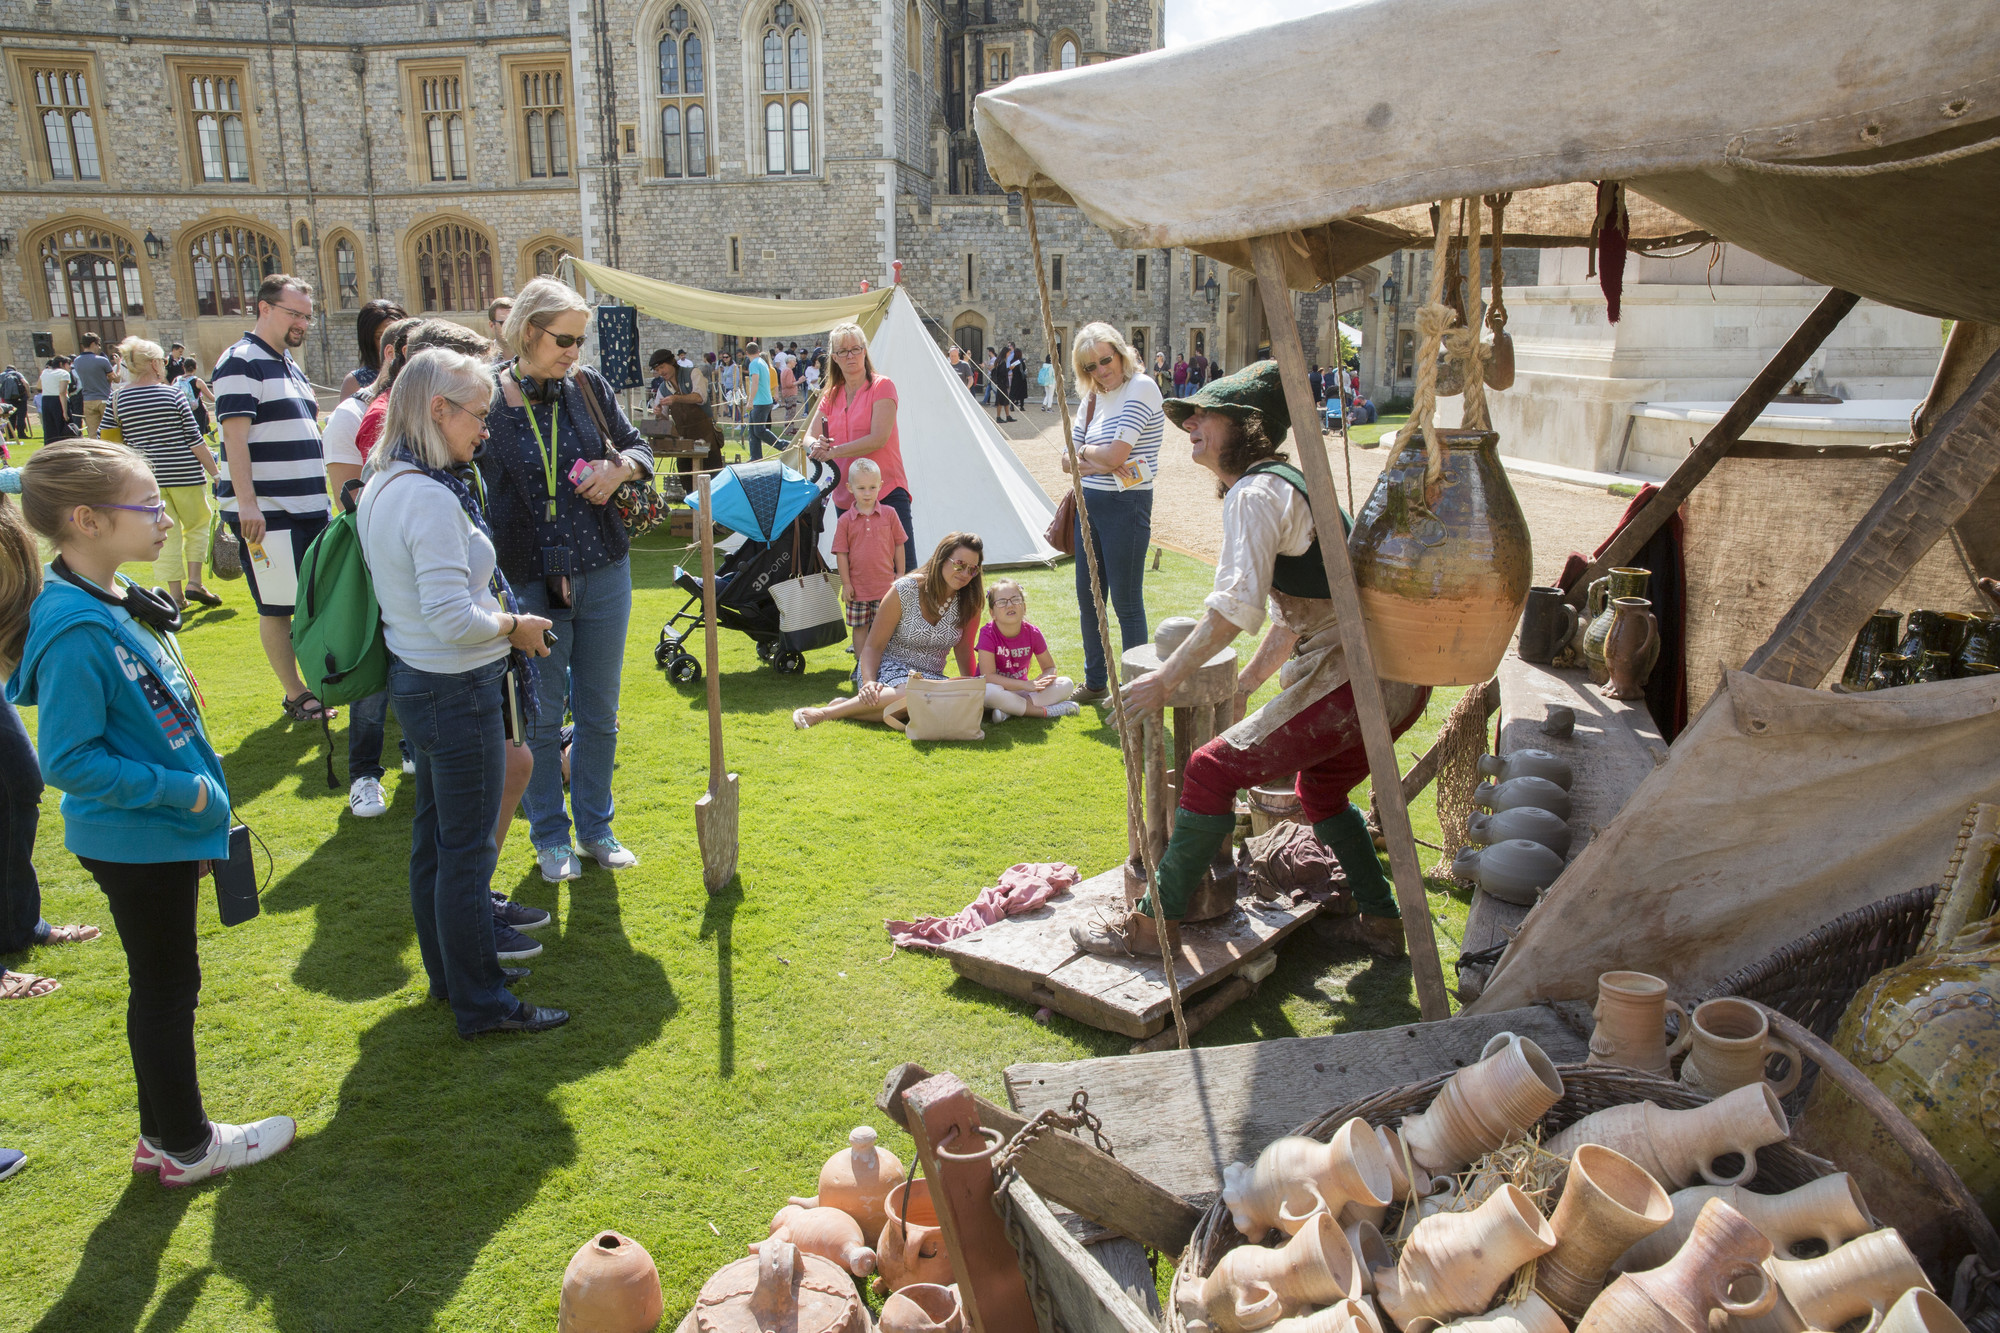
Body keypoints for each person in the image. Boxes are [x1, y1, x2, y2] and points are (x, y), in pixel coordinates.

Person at [3, 439, 297, 1179]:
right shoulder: (75, 626)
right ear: (87, 520)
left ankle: (159, 1135)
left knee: (164, 986)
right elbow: (69, 758)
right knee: (167, 991)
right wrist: (184, 792)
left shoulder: (107, 596)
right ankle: (189, 1145)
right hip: (138, 838)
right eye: (150, 505)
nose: (166, 517)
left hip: (156, 833)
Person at [1072, 363, 1431, 960]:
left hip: (1356, 681)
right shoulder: (1287, 484)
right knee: (1320, 793)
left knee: (1210, 771)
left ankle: (1149, 926)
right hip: (1395, 680)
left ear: (1246, 426)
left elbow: (1235, 612)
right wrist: (1244, 684)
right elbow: (1296, 613)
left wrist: (1166, 677)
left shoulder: (1257, 493)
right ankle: (1382, 920)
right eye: (1188, 415)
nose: (1189, 423)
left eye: (1203, 415)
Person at [355, 349, 565, 1036]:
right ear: (436, 409)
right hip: (454, 686)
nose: (487, 429)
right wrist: (516, 626)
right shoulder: (423, 495)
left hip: (426, 683)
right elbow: (450, 617)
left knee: (439, 845)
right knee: (464, 852)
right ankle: (483, 1000)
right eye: (479, 415)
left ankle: (456, 978)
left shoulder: (389, 479)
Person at [484, 277, 655, 883]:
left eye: (580, 341)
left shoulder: (589, 386)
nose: (574, 352)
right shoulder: (486, 397)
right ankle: (550, 837)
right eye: (564, 339)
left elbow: (641, 449)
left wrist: (621, 470)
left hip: (604, 569)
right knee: (541, 714)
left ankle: (597, 829)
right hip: (528, 579)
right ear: (527, 331)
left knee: (600, 712)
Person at [214, 273, 337, 725]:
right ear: (265, 308)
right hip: (269, 514)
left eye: (307, 315)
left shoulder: (286, 363)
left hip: (307, 508)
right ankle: (295, 693)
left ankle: (317, 682)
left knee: (307, 602)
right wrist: (248, 506)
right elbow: (234, 439)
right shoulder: (241, 362)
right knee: (278, 605)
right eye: (294, 314)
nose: (303, 323)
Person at [1063, 322, 1162, 705]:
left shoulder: (1141, 387)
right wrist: (1094, 458)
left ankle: (1135, 687)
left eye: (1106, 360)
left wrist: (1088, 453)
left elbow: (1115, 456)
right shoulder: (1091, 399)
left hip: (1127, 504)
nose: (1101, 370)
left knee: (1125, 601)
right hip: (1089, 504)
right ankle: (1096, 681)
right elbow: (1065, 461)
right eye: (1090, 366)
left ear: (1121, 353)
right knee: (1090, 598)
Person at [792, 533, 983, 730]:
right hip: (886, 667)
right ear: (941, 559)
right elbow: (873, 646)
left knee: (933, 699)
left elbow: (965, 650)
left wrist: (971, 691)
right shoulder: (906, 590)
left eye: (972, 569)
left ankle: (849, 707)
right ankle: (825, 713)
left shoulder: (970, 602)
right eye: (959, 564)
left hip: (929, 679)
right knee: (915, 696)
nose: (965, 574)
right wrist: (868, 682)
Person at [104, 338, 222, 610]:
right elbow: (195, 440)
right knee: (197, 525)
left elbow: (110, 443)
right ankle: (195, 581)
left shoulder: (118, 397)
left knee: (161, 532)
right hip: (185, 473)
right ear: (155, 364)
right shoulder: (172, 394)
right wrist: (215, 473)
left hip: (146, 478)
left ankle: (175, 594)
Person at [805, 321, 917, 570]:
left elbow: (879, 437)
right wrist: (816, 447)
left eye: (855, 349)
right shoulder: (830, 395)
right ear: (834, 357)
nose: (850, 356)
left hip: (886, 491)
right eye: (843, 351)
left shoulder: (882, 386)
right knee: (859, 574)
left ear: (864, 351)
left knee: (904, 573)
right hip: (847, 497)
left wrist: (833, 452)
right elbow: (808, 437)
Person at [978, 579, 1079, 722]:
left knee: (1066, 684)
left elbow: (1050, 667)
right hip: (997, 691)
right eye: (1001, 602)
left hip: (1022, 692)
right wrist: (1025, 684)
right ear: (992, 613)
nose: (1010, 605)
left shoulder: (1032, 632)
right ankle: (1045, 712)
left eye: (1015, 599)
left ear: (1024, 607)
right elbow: (988, 676)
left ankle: (1008, 711)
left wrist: (1043, 680)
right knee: (988, 691)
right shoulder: (987, 634)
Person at [830, 457, 907, 644]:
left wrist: (901, 575)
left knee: (888, 628)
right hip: (858, 590)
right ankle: (861, 669)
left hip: (886, 587)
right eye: (861, 488)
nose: (867, 493)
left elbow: (899, 544)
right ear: (850, 488)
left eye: (872, 487)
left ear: (880, 485)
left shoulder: (890, 514)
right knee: (860, 629)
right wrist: (846, 584)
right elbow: (841, 554)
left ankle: (886, 669)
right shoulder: (845, 521)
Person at [339, 299, 409, 402]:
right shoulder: (355, 382)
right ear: (368, 341)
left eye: (396, 336)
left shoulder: (417, 371)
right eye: (380, 337)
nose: (391, 344)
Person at [72, 334, 113, 438]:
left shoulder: (77, 361)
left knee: (92, 431)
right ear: (93, 344)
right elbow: (114, 377)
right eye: (98, 344)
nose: (99, 347)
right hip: (104, 398)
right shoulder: (102, 360)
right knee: (109, 429)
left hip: (88, 399)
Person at [742, 339, 776, 460]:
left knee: (759, 431)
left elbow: (755, 383)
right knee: (753, 433)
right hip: (763, 401)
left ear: (747, 353)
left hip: (760, 402)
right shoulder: (762, 361)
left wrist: (750, 402)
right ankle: (755, 458)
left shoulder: (754, 364)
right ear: (758, 351)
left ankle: (784, 445)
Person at [39, 357, 75, 443]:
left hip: (46, 399)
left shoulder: (45, 372)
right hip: (58, 400)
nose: (70, 366)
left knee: (49, 427)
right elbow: (62, 392)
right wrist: (65, 411)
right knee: (63, 427)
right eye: (68, 364)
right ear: (61, 364)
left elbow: (39, 386)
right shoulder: (64, 373)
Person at [486, 295, 515, 361]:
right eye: (504, 323)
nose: (510, 328)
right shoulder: (486, 359)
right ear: (492, 326)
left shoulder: (532, 357)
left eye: (513, 322)